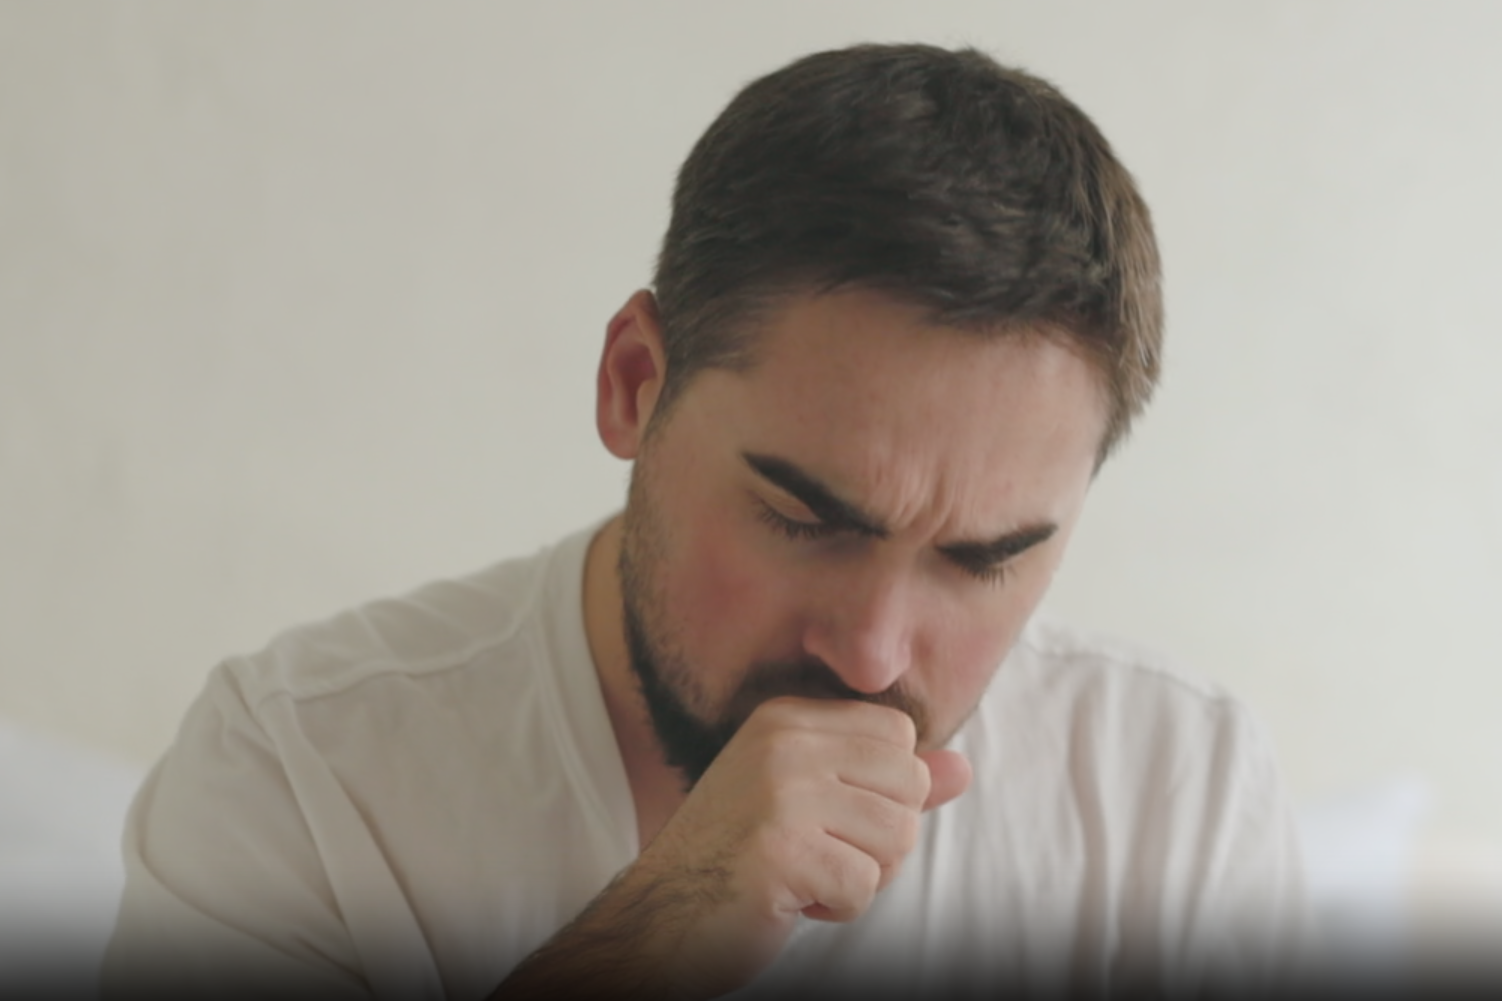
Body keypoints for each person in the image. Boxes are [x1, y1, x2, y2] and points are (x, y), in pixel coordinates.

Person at [103, 43, 1305, 1000]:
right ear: (634, 383)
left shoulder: (1174, 798)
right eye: (803, 518)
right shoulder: (299, 777)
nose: (871, 654)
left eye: (983, 558)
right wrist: (652, 939)